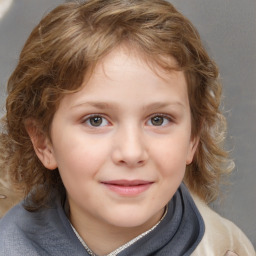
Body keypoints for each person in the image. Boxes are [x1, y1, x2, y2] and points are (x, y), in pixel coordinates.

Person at [0, 0, 254, 255]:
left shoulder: (226, 249)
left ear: (192, 138)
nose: (131, 153)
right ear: (44, 142)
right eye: (96, 120)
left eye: (158, 119)